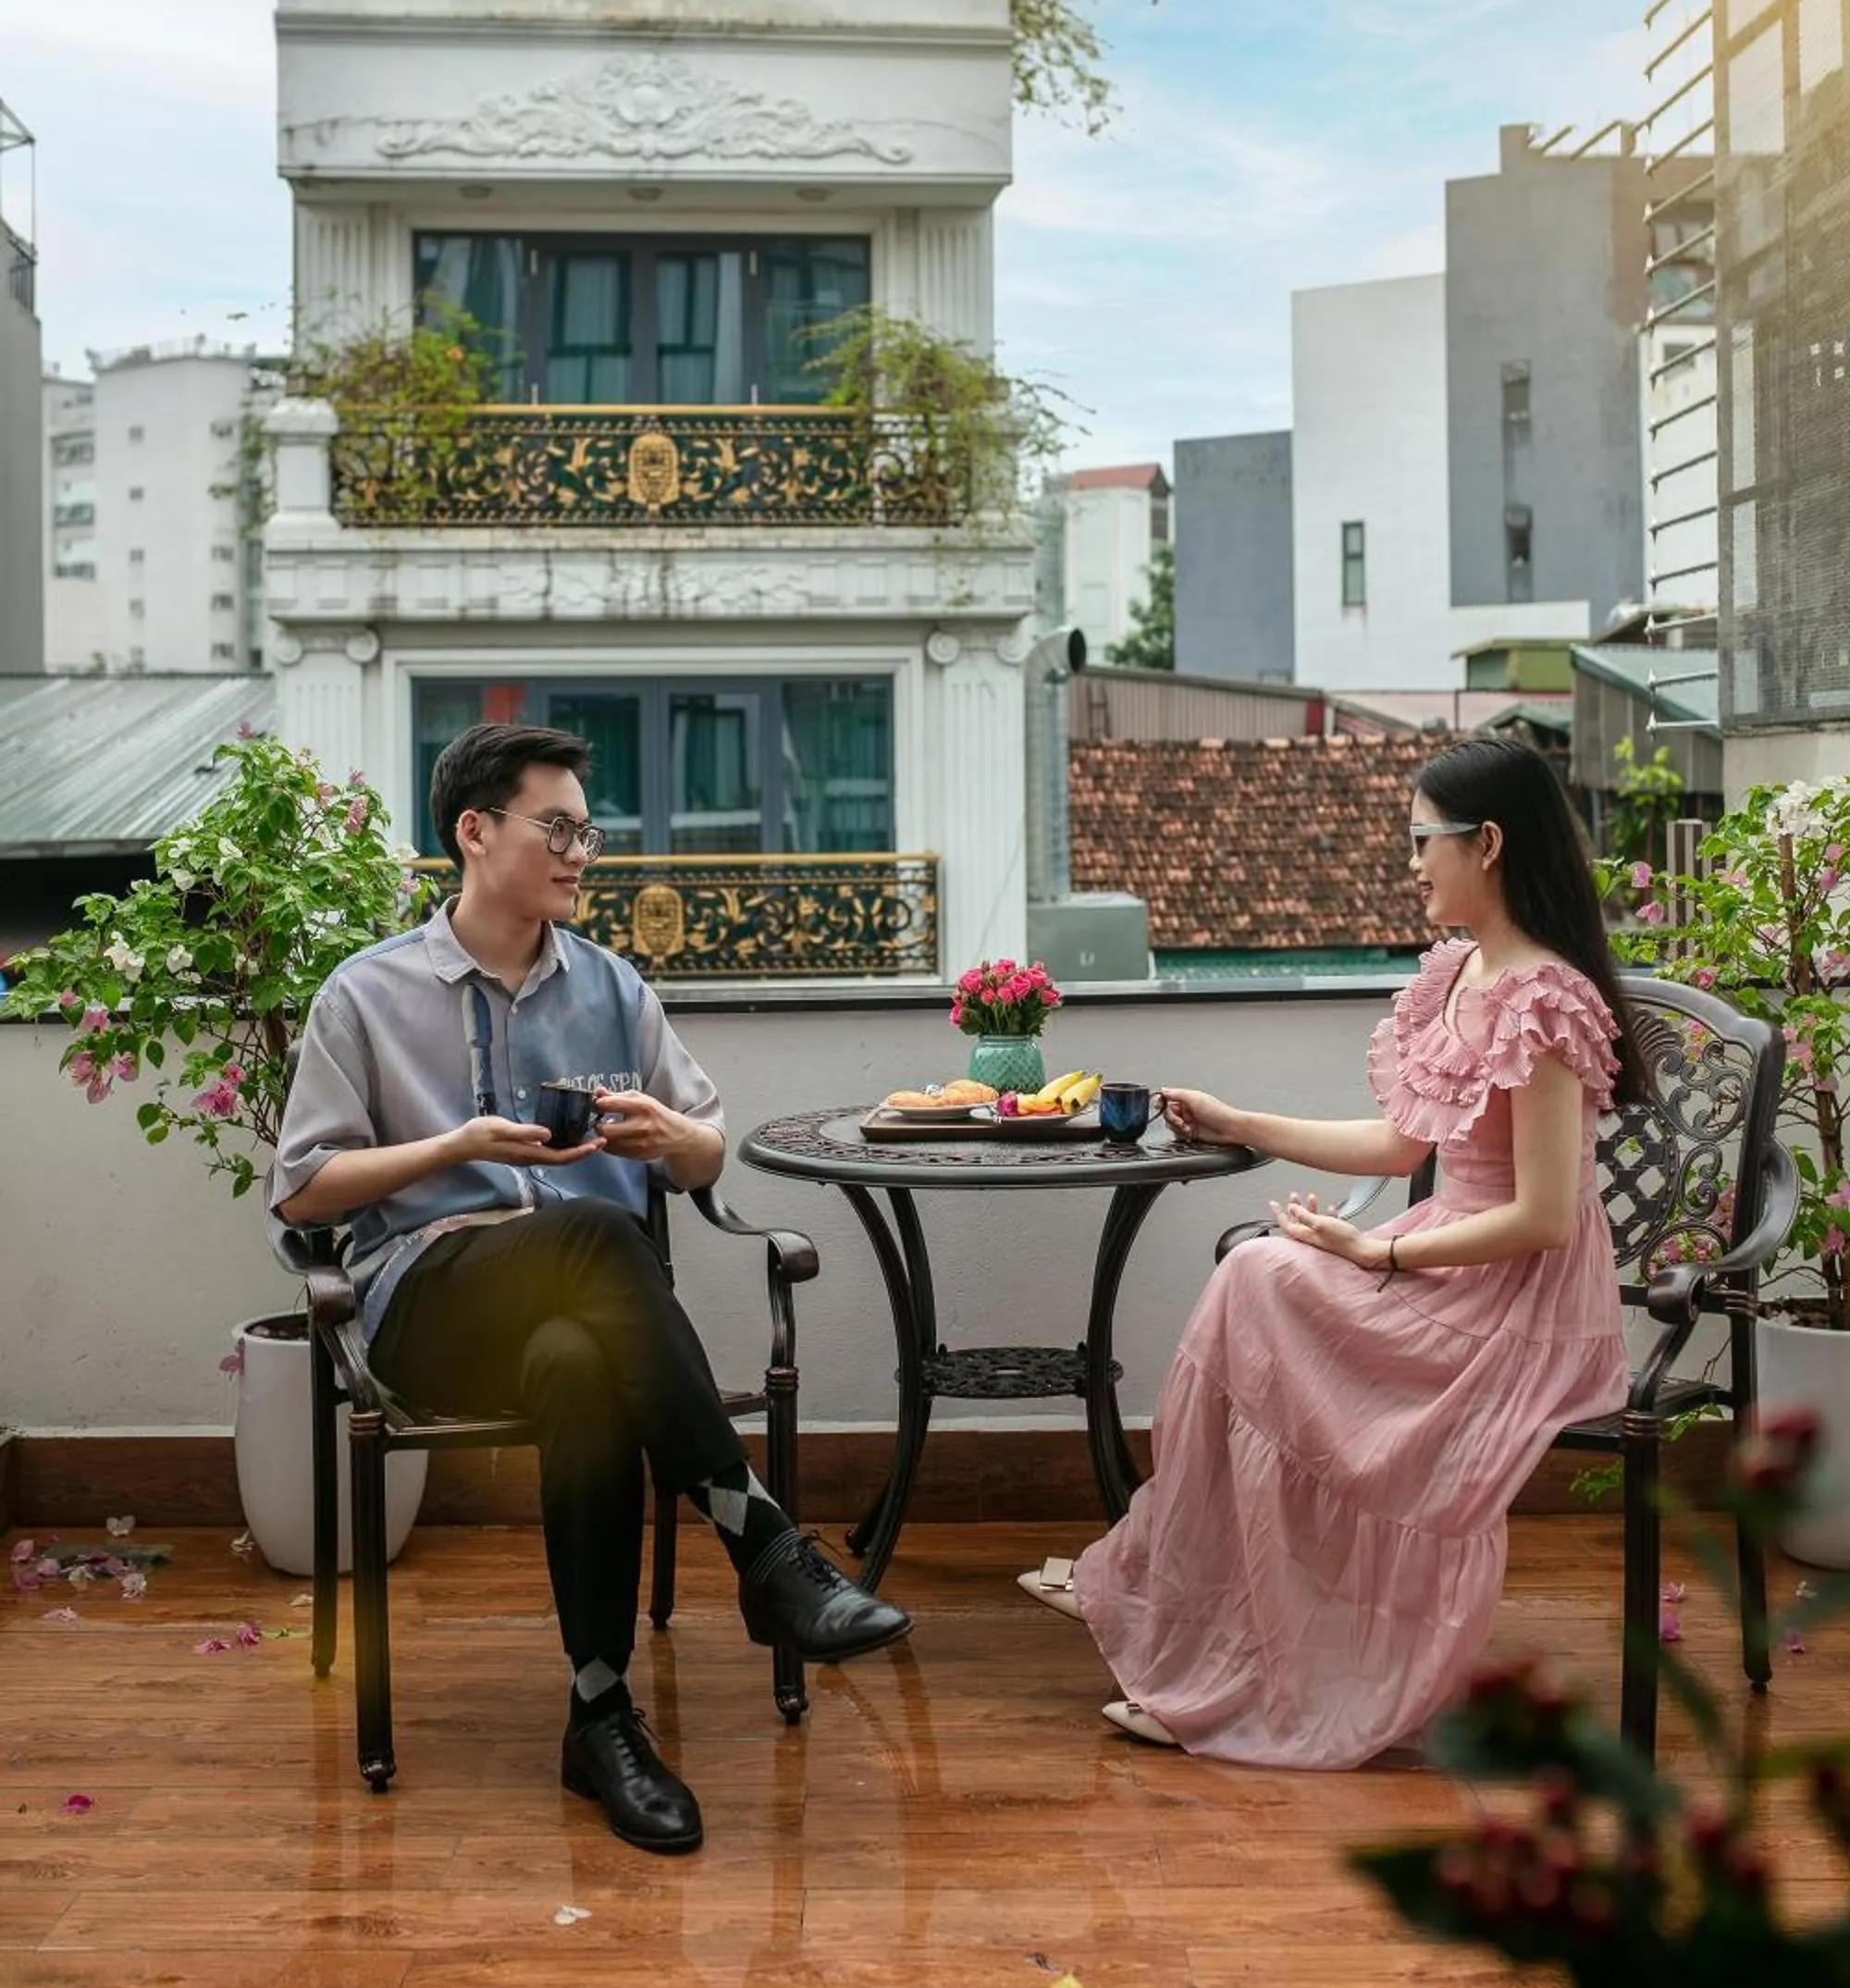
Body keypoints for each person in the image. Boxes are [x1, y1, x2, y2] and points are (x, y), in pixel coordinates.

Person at [272, 721, 909, 1853]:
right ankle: (759, 1538)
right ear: (475, 834)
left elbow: (706, 1158)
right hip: (426, 1305)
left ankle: (600, 1712)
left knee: (581, 1354)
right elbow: (304, 1192)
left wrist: (678, 1139)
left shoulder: (615, 990)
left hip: (583, 1316)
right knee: (604, 1242)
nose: (579, 852)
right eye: (554, 827)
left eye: (585, 831)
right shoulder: (363, 997)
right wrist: (450, 1146)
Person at [1019, 733, 1642, 1767]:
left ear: (1484, 843)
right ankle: (1189, 1609)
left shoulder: (1541, 998)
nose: (1408, 866)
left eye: (1419, 841)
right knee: (1253, 1277)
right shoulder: (1455, 976)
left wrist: (1376, 1258)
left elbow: (1543, 1219)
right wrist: (1242, 1123)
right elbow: (1403, 1145)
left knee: (1260, 1277)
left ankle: (1227, 1638)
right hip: (1444, 1253)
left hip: (1514, 1300)